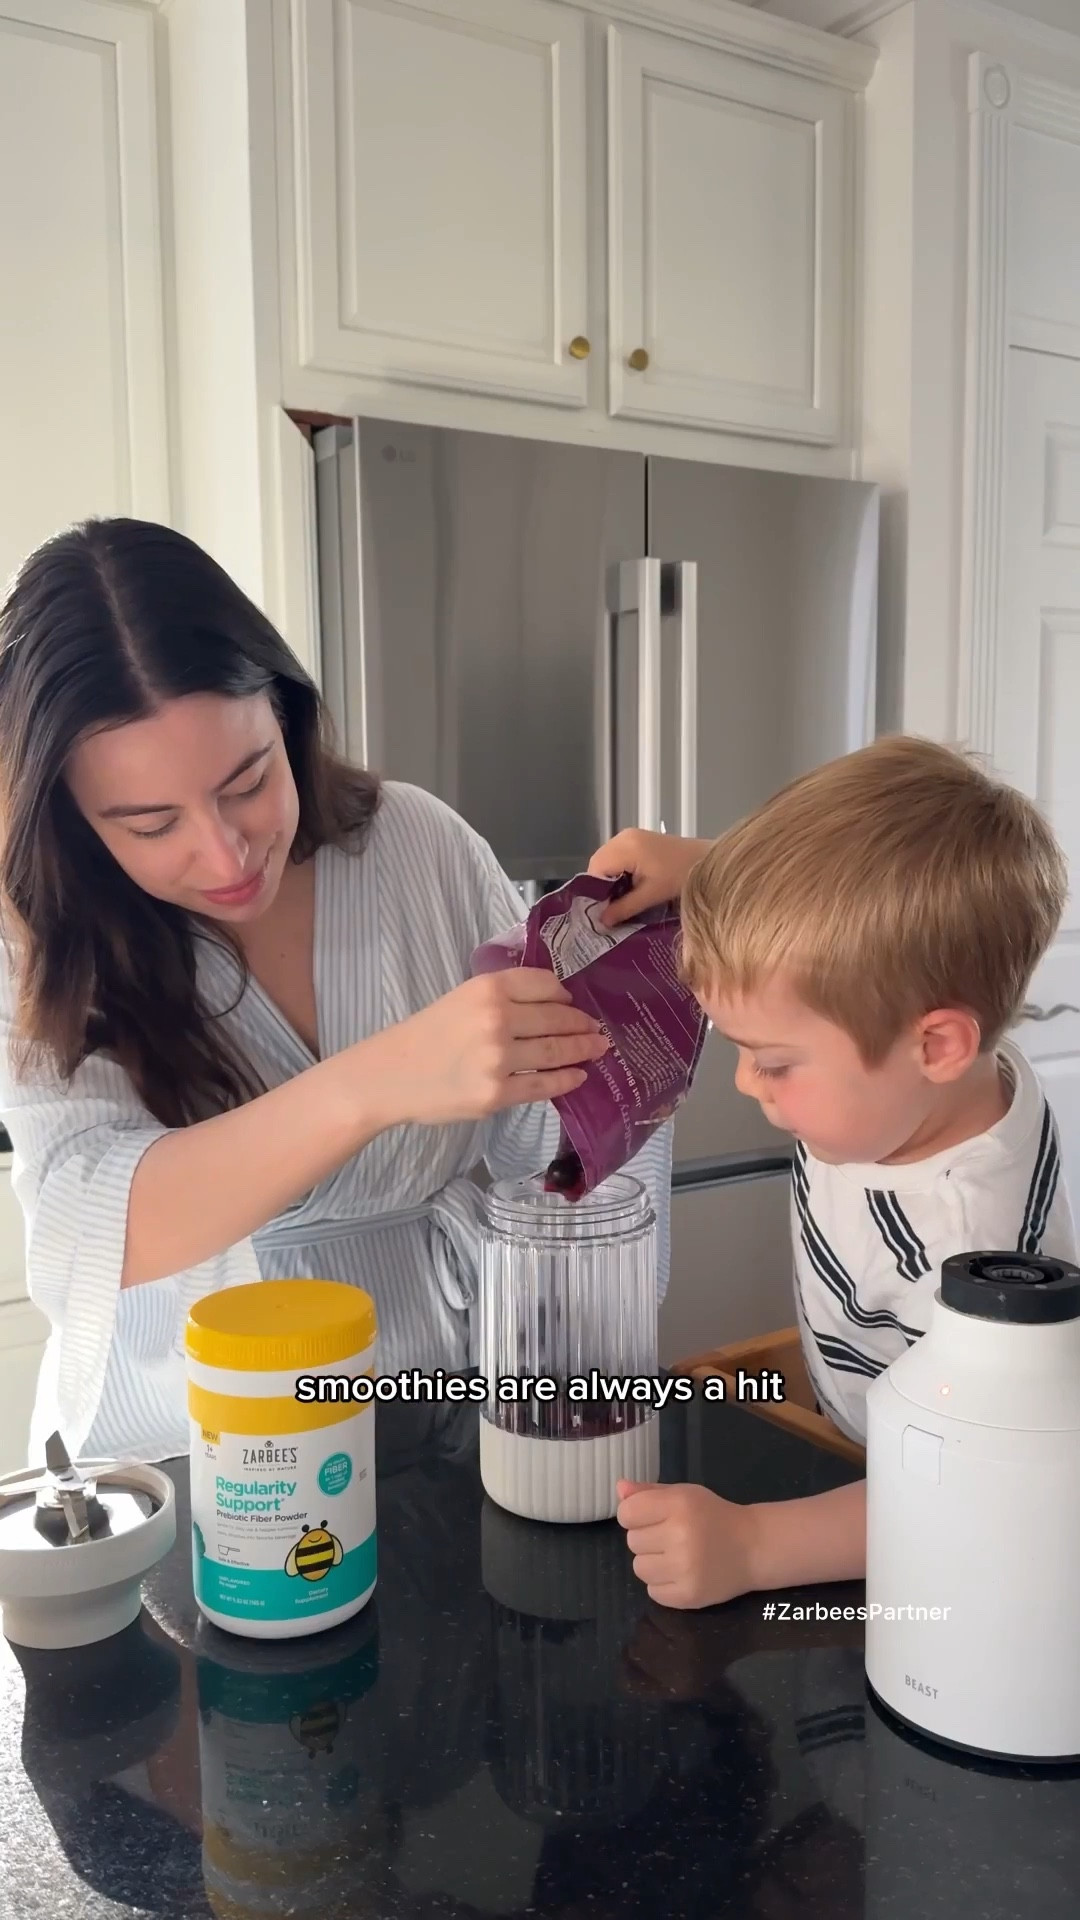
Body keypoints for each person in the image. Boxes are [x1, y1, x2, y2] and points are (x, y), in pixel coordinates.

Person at [0, 518, 672, 1466]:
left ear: (286, 713)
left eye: (248, 781)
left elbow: (545, 1143)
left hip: (442, 1402)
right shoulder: (37, 934)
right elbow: (85, 1223)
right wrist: (377, 1082)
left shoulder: (418, 843)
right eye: (152, 825)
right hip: (194, 1443)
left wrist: (626, 1006)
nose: (224, 854)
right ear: (71, 817)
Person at [588, 735, 1077, 1608]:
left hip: (916, 1535)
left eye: (774, 1062)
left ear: (936, 1044)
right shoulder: (929, 1073)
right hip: (846, 1416)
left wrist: (754, 1546)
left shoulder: (968, 1253)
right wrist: (705, 872)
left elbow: (965, 1493)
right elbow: (867, 943)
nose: (744, 1083)